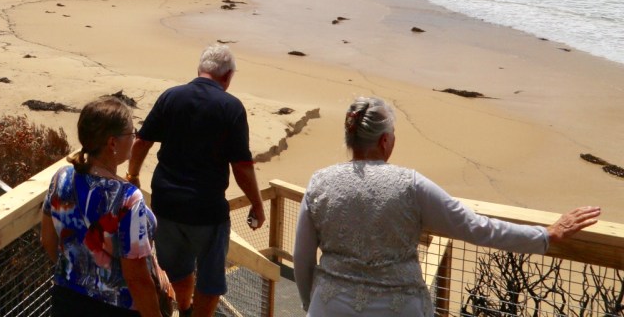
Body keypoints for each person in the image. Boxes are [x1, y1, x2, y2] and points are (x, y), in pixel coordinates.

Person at [293, 96, 602, 316]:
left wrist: (311, 303)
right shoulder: (410, 185)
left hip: (329, 307)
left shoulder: (319, 183)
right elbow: (476, 227)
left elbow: (303, 258)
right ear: (385, 141)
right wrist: (545, 235)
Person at [126, 44, 266, 317]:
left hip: (167, 203)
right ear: (227, 76)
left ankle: (185, 308)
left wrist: (133, 175)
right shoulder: (231, 107)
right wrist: (257, 205)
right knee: (211, 281)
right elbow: (242, 167)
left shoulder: (171, 97)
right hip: (206, 210)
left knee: (177, 268)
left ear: (199, 69)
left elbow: (141, 142)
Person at [41, 96, 174, 317]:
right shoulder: (127, 198)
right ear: (112, 143)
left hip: (66, 301)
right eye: (131, 134)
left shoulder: (61, 177)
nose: (134, 138)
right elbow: (137, 279)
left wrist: (77, 274)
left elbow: (47, 239)